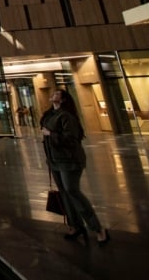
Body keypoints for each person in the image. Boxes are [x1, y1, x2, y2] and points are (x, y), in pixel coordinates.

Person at [40, 89, 110, 245]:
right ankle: (75, 226)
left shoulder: (66, 116)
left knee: (72, 191)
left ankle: (97, 228)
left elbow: (71, 139)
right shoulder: (50, 114)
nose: (53, 94)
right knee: (64, 193)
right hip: (55, 160)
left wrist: (50, 134)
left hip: (69, 160)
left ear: (63, 99)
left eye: (57, 93)